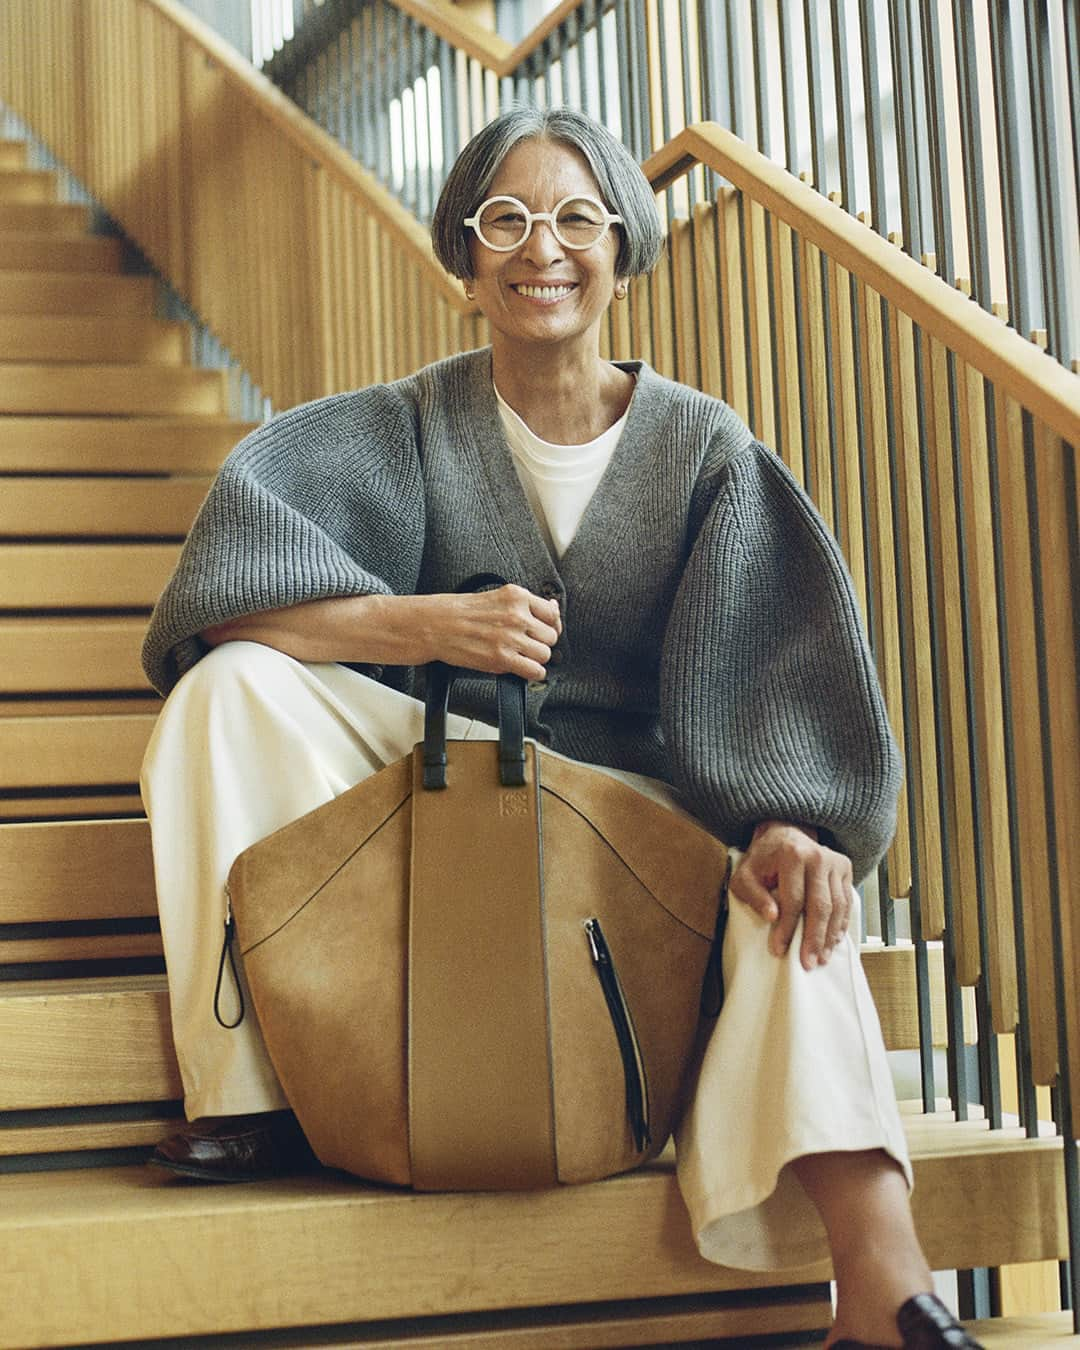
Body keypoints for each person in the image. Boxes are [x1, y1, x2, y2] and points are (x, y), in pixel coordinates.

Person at [139, 106, 982, 1350]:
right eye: (509, 220)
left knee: (794, 892)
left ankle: (885, 1290)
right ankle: (253, 1089)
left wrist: (797, 818)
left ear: (624, 247)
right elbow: (224, 603)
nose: (545, 247)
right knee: (229, 688)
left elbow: (777, 667)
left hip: (635, 842)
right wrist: (427, 626)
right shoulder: (408, 426)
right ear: (467, 257)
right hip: (447, 812)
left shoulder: (705, 451)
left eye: (578, 217)